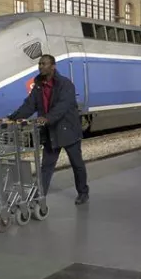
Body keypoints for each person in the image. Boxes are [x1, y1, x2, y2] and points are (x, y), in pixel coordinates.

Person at [8, 54, 89, 205]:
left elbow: (62, 107)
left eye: (44, 64)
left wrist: (47, 118)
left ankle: (83, 192)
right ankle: (40, 196)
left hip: (68, 130)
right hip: (51, 132)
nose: (41, 67)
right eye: (39, 64)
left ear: (53, 66)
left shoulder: (65, 84)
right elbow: (29, 105)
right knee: (46, 166)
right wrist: (13, 117)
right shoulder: (38, 85)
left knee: (77, 164)